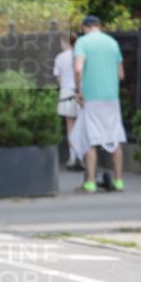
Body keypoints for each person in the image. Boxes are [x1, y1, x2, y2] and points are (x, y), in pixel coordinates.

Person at [70, 14, 126, 193]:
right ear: (99, 26)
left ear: (85, 27)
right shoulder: (112, 43)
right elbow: (121, 75)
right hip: (112, 97)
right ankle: (118, 181)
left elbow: (78, 69)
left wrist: (78, 91)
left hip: (92, 97)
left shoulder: (83, 42)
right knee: (114, 138)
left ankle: (91, 183)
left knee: (91, 140)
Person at [52, 32, 82, 171]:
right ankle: (81, 156)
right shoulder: (80, 55)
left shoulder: (60, 57)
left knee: (70, 126)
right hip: (81, 91)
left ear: (64, 42)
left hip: (66, 92)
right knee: (81, 125)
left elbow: (58, 78)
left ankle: (72, 157)